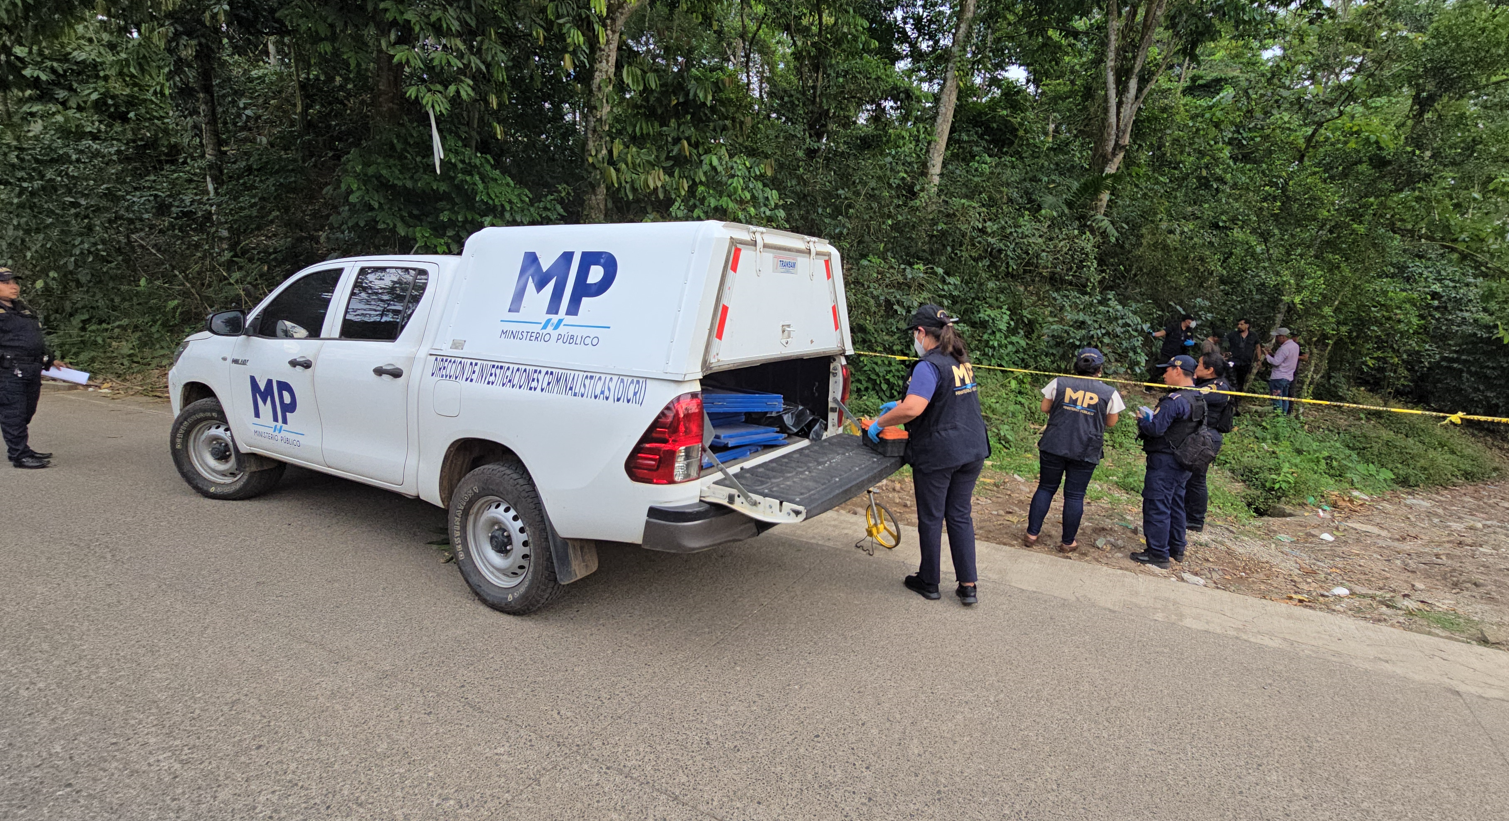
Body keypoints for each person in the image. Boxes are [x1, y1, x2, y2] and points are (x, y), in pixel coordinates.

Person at [868, 304, 991, 606]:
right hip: (972, 448)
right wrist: (899, 404)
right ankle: (968, 585)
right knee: (959, 514)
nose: (914, 338)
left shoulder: (928, 365)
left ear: (921, 332)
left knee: (932, 516)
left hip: (940, 452)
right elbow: (942, 399)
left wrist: (880, 422)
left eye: (915, 333)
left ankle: (929, 581)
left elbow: (914, 408)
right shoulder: (959, 359)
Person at [1024, 348, 1124, 553]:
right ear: (1100, 370)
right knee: (1075, 496)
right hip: (1086, 449)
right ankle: (1067, 542)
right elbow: (1112, 422)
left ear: (1076, 366)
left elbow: (1044, 408)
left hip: (1054, 443)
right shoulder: (1109, 392)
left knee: (1045, 487)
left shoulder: (1058, 383)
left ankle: (1031, 534)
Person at [1130, 354, 1206, 570]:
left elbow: (1156, 429)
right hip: (1185, 459)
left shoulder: (1174, 401)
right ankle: (1176, 547)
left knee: (1157, 504)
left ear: (1177, 371)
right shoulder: (1198, 398)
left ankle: (1157, 553)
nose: (1163, 375)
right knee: (1175, 503)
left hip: (1165, 460)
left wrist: (1142, 421)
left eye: (1167, 370)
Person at [0, 266, 63, 469]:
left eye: (14, 282)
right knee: (14, 413)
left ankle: (22, 448)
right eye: (6, 283)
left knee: (27, 411)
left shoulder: (22, 308)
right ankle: (19, 455)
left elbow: (33, 338)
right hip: (8, 370)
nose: (13, 286)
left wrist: (49, 358)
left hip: (31, 367)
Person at [1184, 353, 1231, 535]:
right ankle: (1185, 514)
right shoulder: (1205, 383)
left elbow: (1192, 395)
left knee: (1196, 478)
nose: (1196, 367)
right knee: (1188, 477)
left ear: (1210, 370)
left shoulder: (1219, 387)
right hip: (1198, 434)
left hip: (1207, 437)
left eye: (1199, 364)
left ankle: (1195, 520)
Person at [1261, 328, 1301, 415]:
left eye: (1277, 337)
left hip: (1279, 376)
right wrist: (1271, 354)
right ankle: (1284, 415)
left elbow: (1276, 362)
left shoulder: (1284, 348)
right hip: (1288, 376)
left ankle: (1278, 415)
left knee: (1277, 397)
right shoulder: (1295, 346)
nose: (1276, 339)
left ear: (1282, 337)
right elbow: (1284, 359)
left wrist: (1266, 355)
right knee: (1284, 398)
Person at [1148, 314, 1197, 383]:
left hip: (1180, 354)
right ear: (1186, 320)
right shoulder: (1174, 326)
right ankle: (1149, 385)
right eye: (1191, 321)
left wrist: (1191, 343)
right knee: (1160, 369)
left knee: (1178, 371)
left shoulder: (1189, 331)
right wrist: (1153, 334)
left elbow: (1191, 340)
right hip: (1168, 352)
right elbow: (1163, 332)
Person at [1224, 318, 1258, 391]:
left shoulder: (1253, 335)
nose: (1239, 326)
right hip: (1233, 360)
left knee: (1241, 380)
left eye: (1241, 324)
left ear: (1247, 325)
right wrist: (1224, 353)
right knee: (1231, 379)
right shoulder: (1233, 334)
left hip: (1246, 362)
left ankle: (1238, 395)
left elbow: (1257, 347)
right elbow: (1223, 342)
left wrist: (1258, 360)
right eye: (1238, 324)